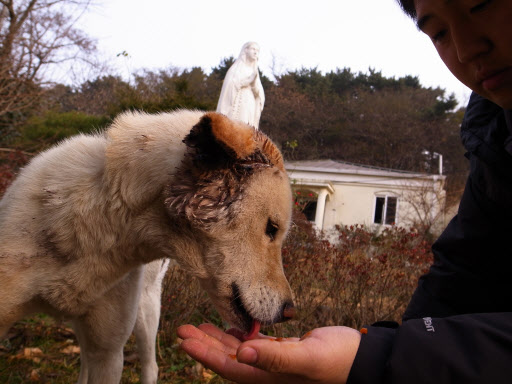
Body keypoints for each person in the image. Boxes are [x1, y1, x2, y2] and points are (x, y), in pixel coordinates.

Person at [178, 0, 512, 382]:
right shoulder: (495, 141)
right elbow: (467, 274)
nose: (467, 48)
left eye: (482, 6)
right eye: (438, 32)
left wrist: (378, 359)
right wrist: (388, 356)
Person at [216, 41, 265, 129]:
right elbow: (229, 86)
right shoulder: (237, 68)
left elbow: (260, 95)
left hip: (250, 105)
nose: (255, 52)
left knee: (248, 130)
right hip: (239, 104)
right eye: (253, 49)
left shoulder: (254, 71)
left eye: (257, 51)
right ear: (246, 50)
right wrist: (246, 81)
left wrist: (254, 83)